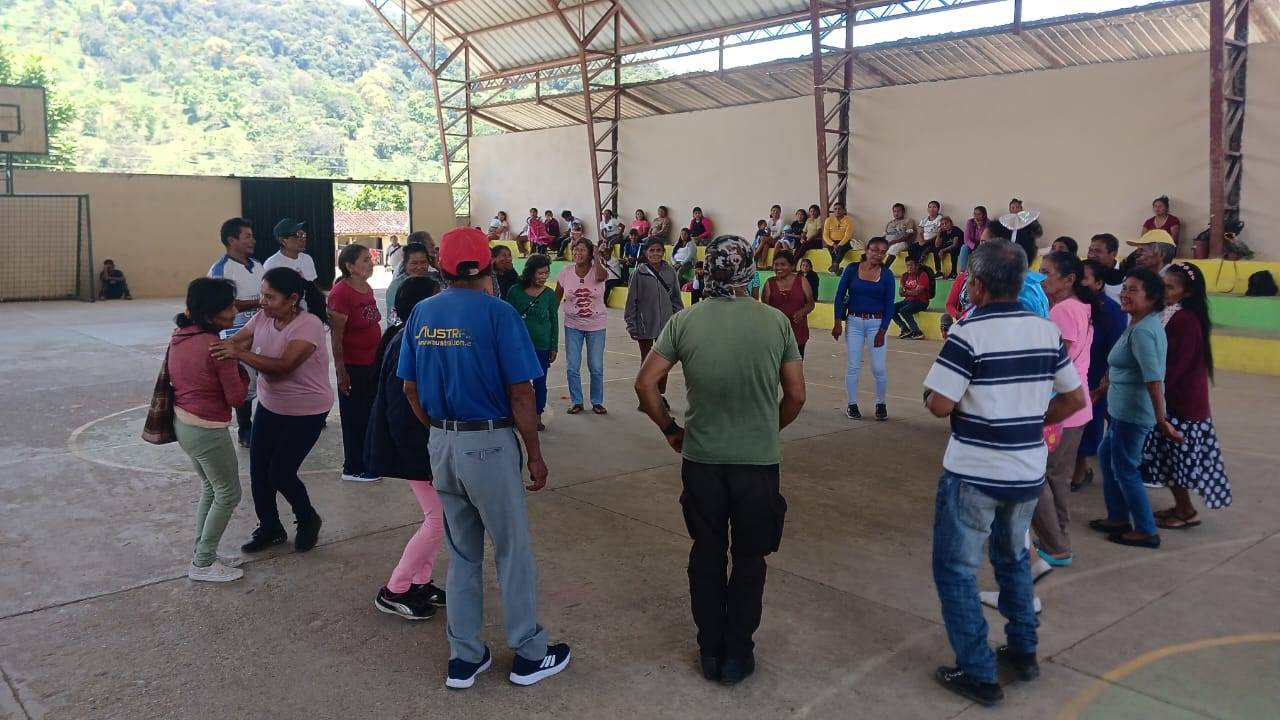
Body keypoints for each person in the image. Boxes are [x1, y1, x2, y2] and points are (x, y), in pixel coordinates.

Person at [398, 227, 570, 689]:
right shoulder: (499, 313)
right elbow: (521, 394)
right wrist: (535, 455)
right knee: (512, 550)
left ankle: (465, 657)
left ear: (443, 266)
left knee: (462, 553)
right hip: (489, 443)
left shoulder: (422, 312)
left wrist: (440, 432)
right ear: (488, 265)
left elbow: (410, 388)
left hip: (443, 443)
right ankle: (529, 652)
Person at [635, 234, 805, 686]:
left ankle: (710, 650)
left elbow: (645, 384)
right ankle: (738, 654)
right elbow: (796, 395)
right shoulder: (775, 323)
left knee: (707, 552)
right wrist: (768, 429)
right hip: (757, 463)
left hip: (703, 460)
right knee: (750, 557)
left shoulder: (684, 321)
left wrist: (671, 429)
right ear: (750, 269)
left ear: (708, 270)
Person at [922, 239, 1086, 707]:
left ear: (976, 284)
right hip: (1026, 471)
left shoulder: (968, 333)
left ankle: (978, 673)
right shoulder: (1045, 331)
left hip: (974, 472)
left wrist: (935, 394)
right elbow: (1074, 399)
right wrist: (1031, 421)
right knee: (1013, 560)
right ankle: (1023, 652)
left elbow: (940, 404)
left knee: (956, 571)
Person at [213, 267, 331, 555]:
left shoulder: (308, 325)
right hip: (270, 405)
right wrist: (205, 341)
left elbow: (283, 367)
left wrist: (240, 353)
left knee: (280, 471)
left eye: (270, 297)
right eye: (262, 295)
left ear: (292, 299)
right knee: (259, 470)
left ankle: (307, 518)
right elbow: (236, 342)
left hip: (306, 410)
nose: (262, 302)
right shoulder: (263, 317)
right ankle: (270, 528)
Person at [367, 275, 448, 620]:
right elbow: (401, 410)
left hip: (420, 445)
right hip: (415, 447)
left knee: (438, 517)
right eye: (437, 298)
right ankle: (395, 589)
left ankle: (420, 582)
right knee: (438, 519)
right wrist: (419, 455)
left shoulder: (413, 337)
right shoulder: (407, 344)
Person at [1089, 269, 1176, 549]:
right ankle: (1117, 517)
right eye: (1125, 288)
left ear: (1152, 298)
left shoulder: (1143, 331)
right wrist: (1102, 389)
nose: (1125, 294)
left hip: (1133, 413)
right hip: (1121, 410)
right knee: (1107, 456)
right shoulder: (1138, 323)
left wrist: (1161, 419)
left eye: (1133, 290)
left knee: (1126, 468)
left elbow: (1153, 377)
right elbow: (1124, 367)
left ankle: (1146, 530)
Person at [170, 277, 249, 582]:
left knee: (211, 488)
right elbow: (237, 398)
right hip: (207, 429)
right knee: (228, 493)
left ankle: (204, 551)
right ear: (210, 312)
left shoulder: (181, 335)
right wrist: (241, 365)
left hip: (185, 424)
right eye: (228, 307)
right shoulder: (218, 348)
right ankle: (202, 563)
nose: (234, 311)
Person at [1143, 263, 1232, 525]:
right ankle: (1181, 507)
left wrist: (1154, 392)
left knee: (1178, 459)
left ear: (1187, 292)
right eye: (1162, 285)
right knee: (1170, 457)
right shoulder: (1169, 314)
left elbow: (1175, 367)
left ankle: (1186, 511)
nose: (1163, 291)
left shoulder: (1184, 320)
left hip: (1182, 404)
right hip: (1174, 400)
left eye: (1170, 287)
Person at [1031, 252, 1099, 567]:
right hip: (1073, 406)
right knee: (1056, 475)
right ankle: (1056, 537)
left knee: (1047, 476)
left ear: (1069, 279)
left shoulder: (1064, 311)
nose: (1041, 278)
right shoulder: (1076, 307)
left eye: (1047, 272)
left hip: (1063, 408)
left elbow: (1057, 362)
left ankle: (1056, 542)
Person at [328, 243, 383, 483]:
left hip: (371, 362)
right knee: (354, 416)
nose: (371, 263)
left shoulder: (366, 288)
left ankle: (368, 460)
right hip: (353, 365)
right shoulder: (341, 294)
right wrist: (341, 369)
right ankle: (352, 466)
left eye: (370, 259)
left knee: (369, 413)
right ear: (350, 266)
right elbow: (336, 336)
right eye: (365, 260)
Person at [1072, 259, 1126, 492]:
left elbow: (1116, 347)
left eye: (1084, 278)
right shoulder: (1073, 305)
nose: (1078, 283)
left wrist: (1107, 378)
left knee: (1089, 422)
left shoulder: (1110, 310)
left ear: (1099, 283)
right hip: (1076, 373)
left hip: (1096, 376)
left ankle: (1081, 468)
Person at [209, 217, 261, 448]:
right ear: (232, 240)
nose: (253, 240)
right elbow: (221, 304)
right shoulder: (221, 269)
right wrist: (260, 303)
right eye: (247, 236)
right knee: (246, 382)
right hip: (236, 334)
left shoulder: (258, 266)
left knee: (267, 377)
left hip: (261, 331)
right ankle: (245, 428)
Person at [832, 236, 895, 421]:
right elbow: (839, 295)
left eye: (883, 252)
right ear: (867, 249)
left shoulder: (887, 274)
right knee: (853, 365)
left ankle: (881, 403)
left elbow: (889, 304)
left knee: (878, 368)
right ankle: (852, 404)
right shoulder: (852, 269)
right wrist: (837, 321)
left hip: (877, 324)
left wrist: (883, 330)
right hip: (854, 322)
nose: (878, 254)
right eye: (875, 250)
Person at [625, 238, 684, 404]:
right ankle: (645, 398)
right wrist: (631, 325)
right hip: (644, 325)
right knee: (647, 361)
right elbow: (631, 302)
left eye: (659, 250)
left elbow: (676, 299)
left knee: (663, 362)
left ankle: (659, 396)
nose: (655, 253)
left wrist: (677, 320)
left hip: (666, 325)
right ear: (645, 253)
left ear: (663, 252)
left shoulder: (670, 272)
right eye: (652, 250)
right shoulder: (638, 274)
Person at [556, 238, 609, 415]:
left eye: (582, 250)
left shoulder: (598, 271)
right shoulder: (565, 273)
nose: (578, 253)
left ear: (590, 253)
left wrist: (597, 256)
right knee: (572, 366)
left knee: (596, 366)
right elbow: (556, 298)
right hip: (572, 326)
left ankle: (597, 401)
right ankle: (576, 401)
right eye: (575, 249)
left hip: (596, 326)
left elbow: (601, 277)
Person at [507, 254, 558, 430]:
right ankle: (514, 414)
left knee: (540, 382)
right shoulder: (514, 292)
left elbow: (554, 321)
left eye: (546, 273)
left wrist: (553, 346)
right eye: (540, 273)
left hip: (542, 346)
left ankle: (537, 415)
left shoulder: (549, 295)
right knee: (516, 382)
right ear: (530, 273)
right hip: (518, 346)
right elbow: (508, 319)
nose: (544, 277)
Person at [762, 251, 815, 358]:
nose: (779, 268)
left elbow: (811, 304)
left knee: (795, 364)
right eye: (776, 265)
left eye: (783, 264)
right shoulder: (769, 283)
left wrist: (802, 312)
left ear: (792, 266)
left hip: (798, 333)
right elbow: (765, 309)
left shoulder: (802, 281)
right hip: (775, 334)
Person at [385, 242, 431, 326]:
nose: (419, 267)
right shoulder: (396, 286)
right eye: (414, 263)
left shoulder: (434, 280)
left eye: (423, 262)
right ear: (405, 264)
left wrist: (437, 267)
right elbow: (393, 320)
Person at [264, 218, 318, 285]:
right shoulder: (272, 264)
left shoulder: (307, 259)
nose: (303, 239)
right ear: (282, 241)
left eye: (304, 235)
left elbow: (312, 285)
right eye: (298, 235)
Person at [892, 257, 932, 339]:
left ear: (916, 266)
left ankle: (917, 332)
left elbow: (917, 292)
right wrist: (910, 292)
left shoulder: (922, 275)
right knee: (890, 308)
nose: (909, 268)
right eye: (907, 265)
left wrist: (906, 291)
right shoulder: (904, 276)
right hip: (908, 301)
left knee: (904, 310)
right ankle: (905, 329)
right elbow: (900, 293)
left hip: (921, 301)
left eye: (911, 265)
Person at [1088, 233, 1125, 302]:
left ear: (1114, 254)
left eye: (1097, 251)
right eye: (1090, 250)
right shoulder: (1084, 270)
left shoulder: (1126, 276)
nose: (1091, 255)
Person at [823, 202, 856, 274]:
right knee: (833, 251)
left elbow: (848, 235)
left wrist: (839, 245)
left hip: (844, 242)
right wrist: (833, 244)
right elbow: (825, 235)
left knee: (841, 249)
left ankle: (835, 266)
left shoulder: (849, 220)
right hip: (832, 242)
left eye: (839, 209)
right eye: (835, 209)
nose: (837, 210)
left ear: (844, 210)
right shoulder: (828, 220)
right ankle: (836, 268)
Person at [883, 203, 917, 268]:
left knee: (894, 248)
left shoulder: (909, 221)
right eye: (894, 211)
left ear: (903, 212)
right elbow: (884, 236)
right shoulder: (890, 223)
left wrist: (893, 242)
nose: (896, 213)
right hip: (889, 243)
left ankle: (885, 268)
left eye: (898, 211)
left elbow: (908, 235)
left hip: (902, 243)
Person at [960, 206, 988, 276]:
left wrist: (979, 227)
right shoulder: (970, 222)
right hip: (972, 245)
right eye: (975, 214)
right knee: (964, 247)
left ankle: (981, 273)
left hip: (984, 245)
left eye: (979, 214)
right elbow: (966, 239)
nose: (976, 216)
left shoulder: (988, 223)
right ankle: (962, 272)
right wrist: (974, 247)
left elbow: (984, 238)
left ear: (984, 215)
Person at [915, 201, 942, 267]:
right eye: (930, 207)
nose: (932, 209)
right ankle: (912, 265)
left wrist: (927, 241)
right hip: (924, 241)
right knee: (912, 247)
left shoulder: (940, 218)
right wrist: (921, 240)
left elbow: (940, 232)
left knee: (924, 248)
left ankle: (919, 265)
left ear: (938, 209)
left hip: (933, 241)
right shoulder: (924, 219)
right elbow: (919, 231)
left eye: (934, 207)